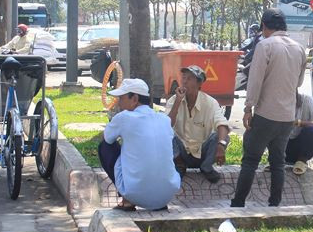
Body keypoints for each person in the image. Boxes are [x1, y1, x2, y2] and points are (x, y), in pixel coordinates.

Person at [231, 8, 306, 207]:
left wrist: (248, 109)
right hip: (287, 116)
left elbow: (254, 82)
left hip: (266, 113)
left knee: (250, 160)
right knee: (278, 162)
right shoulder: (299, 48)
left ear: (264, 26)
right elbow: (299, 82)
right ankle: (275, 203)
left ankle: (238, 202)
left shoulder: (265, 45)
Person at [98, 78, 180, 211]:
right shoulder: (164, 120)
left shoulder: (124, 117)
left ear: (134, 99)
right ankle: (156, 196)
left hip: (135, 193)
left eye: (122, 98)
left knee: (105, 147)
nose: (118, 103)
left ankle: (127, 201)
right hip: (167, 195)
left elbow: (107, 139)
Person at [166, 65, 231, 183]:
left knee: (223, 137)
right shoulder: (173, 100)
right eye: (184, 78)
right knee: (165, 133)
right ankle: (180, 164)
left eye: (189, 79)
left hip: (202, 152)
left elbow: (222, 123)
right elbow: (167, 125)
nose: (184, 82)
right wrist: (177, 102)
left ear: (199, 83)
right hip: (182, 153)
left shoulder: (210, 102)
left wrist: (221, 146)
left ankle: (206, 167)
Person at [286, 92, 313, 175]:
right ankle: (273, 159)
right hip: (281, 147)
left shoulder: (308, 100)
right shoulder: (275, 103)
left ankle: (301, 161)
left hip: (301, 148)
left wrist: (299, 123)